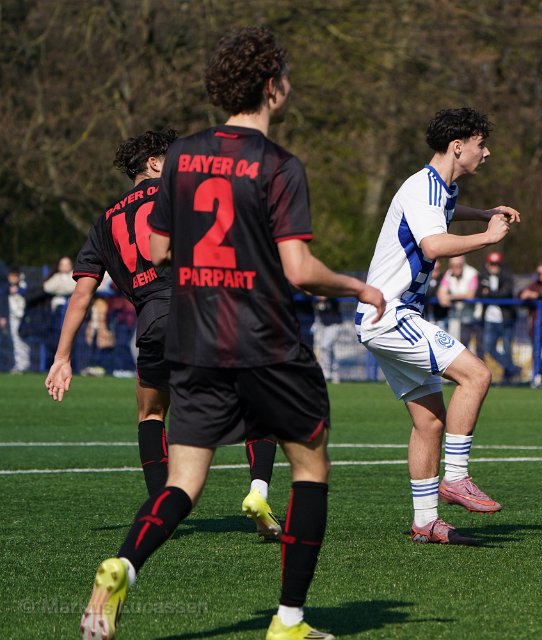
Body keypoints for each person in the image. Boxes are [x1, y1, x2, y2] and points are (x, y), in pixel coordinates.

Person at [80, 26, 386, 640]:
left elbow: (158, 249)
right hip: (265, 338)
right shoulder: (279, 165)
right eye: (286, 77)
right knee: (310, 466)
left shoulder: (182, 157)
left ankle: (123, 567)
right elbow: (299, 270)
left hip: (194, 339)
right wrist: (358, 287)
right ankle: (289, 622)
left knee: (183, 483)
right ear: (272, 87)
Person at [46, 129, 283, 533]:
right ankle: (258, 490)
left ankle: (161, 511)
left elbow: (82, 294)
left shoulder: (105, 221)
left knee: (151, 413)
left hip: (154, 323)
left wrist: (62, 358)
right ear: (155, 163)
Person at [356, 107, 519, 544]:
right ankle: (457, 477)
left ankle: (426, 521)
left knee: (429, 423)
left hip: (385, 316)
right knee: (476, 375)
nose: (487, 153)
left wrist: (483, 212)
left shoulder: (439, 189)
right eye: (482, 144)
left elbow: (445, 210)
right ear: (457, 146)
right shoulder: (423, 186)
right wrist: (488, 236)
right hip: (391, 315)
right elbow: (433, 244)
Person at [478, 250, 520, 383]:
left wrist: (489, 293)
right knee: (489, 348)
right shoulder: (482, 276)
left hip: (506, 319)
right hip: (490, 319)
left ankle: (508, 377)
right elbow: (479, 292)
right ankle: (513, 369)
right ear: (488, 264)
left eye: (497, 264)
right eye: (492, 264)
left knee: (507, 349)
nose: (494, 267)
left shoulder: (507, 276)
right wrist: (491, 293)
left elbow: (504, 294)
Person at [437, 255, 481, 353]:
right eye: (453, 265)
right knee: (457, 348)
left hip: (474, 318)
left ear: (463, 264)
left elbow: (470, 295)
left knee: (477, 350)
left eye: (458, 265)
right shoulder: (448, 274)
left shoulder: (472, 273)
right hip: (457, 317)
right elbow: (441, 292)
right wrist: (442, 297)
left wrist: (451, 297)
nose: (456, 267)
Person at [5, 268, 30, 373]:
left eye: (15, 276)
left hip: (23, 318)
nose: (12, 278)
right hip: (12, 318)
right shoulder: (6, 287)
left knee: (22, 341)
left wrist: (18, 290)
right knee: (16, 341)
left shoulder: (24, 286)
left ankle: (23, 365)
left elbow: (29, 294)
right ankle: (20, 364)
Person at [312, 296, 342, 384]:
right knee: (329, 349)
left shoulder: (332, 296)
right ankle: (335, 374)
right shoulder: (316, 297)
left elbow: (333, 293)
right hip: (322, 324)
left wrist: (325, 295)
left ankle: (326, 373)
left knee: (325, 346)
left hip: (334, 324)